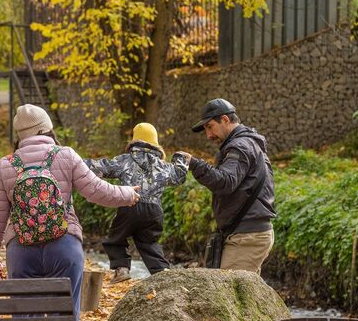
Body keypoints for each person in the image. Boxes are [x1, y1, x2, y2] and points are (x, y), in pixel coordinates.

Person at [0, 104, 140, 321]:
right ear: (47, 129)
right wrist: (128, 194)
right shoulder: (65, 155)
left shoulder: (5, 165)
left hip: (21, 250)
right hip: (63, 245)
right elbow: (97, 191)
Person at [178, 98, 276, 274]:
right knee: (241, 296)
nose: (208, 135)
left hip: (247, 237)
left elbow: (225, 182)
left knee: (229, 294)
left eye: (210, 126)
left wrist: (194, 164)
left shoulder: (240, 146)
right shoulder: (245, 144)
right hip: (246, 234)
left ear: (225, 119)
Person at [85, 123, 188, 283]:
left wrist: (75, 162)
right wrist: (179, 158)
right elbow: (179, 176)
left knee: (115, 238)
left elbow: (100, 167)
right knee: (149, 243)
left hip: (129, 204)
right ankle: (163, 274)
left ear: (133, 141)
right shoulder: (162, 166)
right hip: (154, 211)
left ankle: (122, 269)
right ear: (156, 143)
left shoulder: (125, 160)